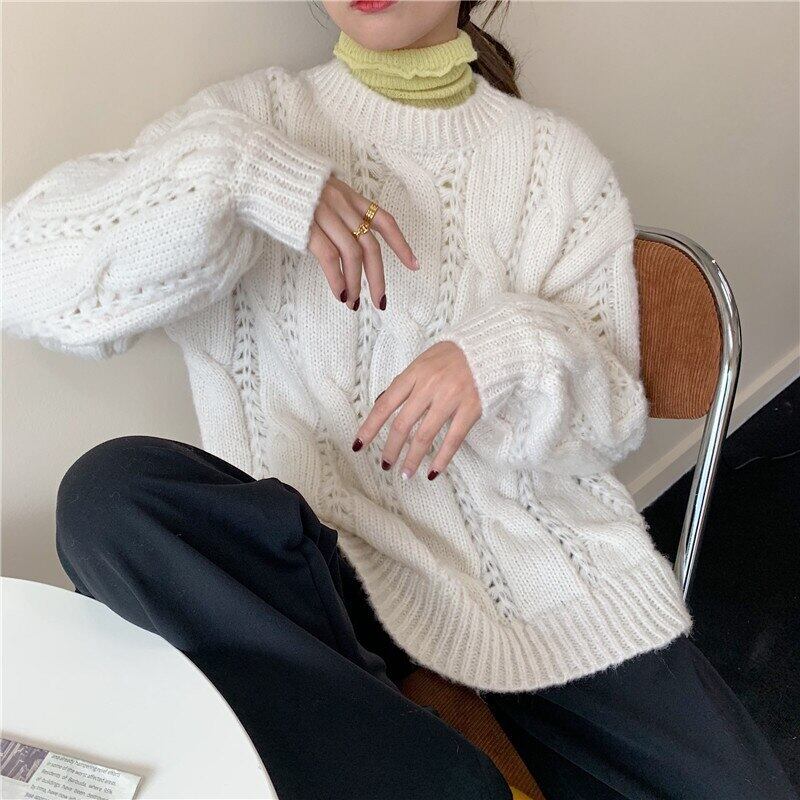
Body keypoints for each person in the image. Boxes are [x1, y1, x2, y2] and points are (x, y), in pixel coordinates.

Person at [3, 2, 796, 798]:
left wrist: (508, 351)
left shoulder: (553, 164)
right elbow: (21, 283)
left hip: (519, 567)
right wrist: (242, 174)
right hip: (308, 568)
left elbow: (609, 421)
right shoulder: (249, 123)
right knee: (108, 493)